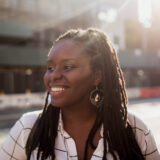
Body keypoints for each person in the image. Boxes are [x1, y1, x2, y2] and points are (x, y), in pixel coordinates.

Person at [0, 28, 159, 160]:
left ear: (97, 75)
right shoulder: (28, 128)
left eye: (68, 67)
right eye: (50, 68)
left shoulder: (135, 129)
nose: (53, 75)